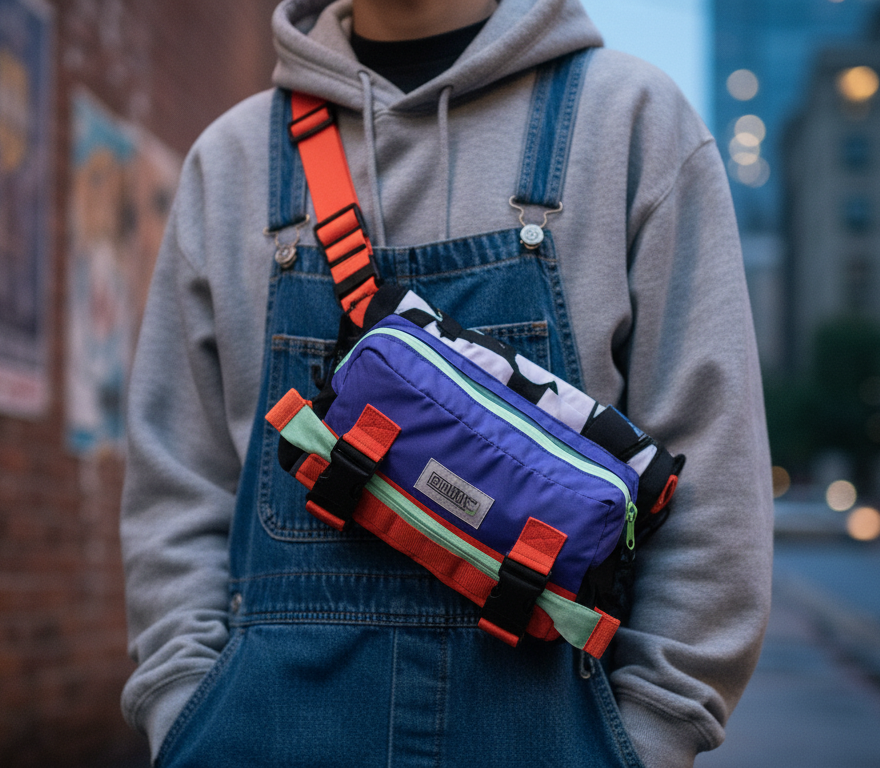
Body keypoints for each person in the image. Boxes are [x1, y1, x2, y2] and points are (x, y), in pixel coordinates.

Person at [119, 0, 773, 766]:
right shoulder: (229, 161)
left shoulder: (630, 123)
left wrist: (648, 737)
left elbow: (714, 481)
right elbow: (176, 487)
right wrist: (186, 710)